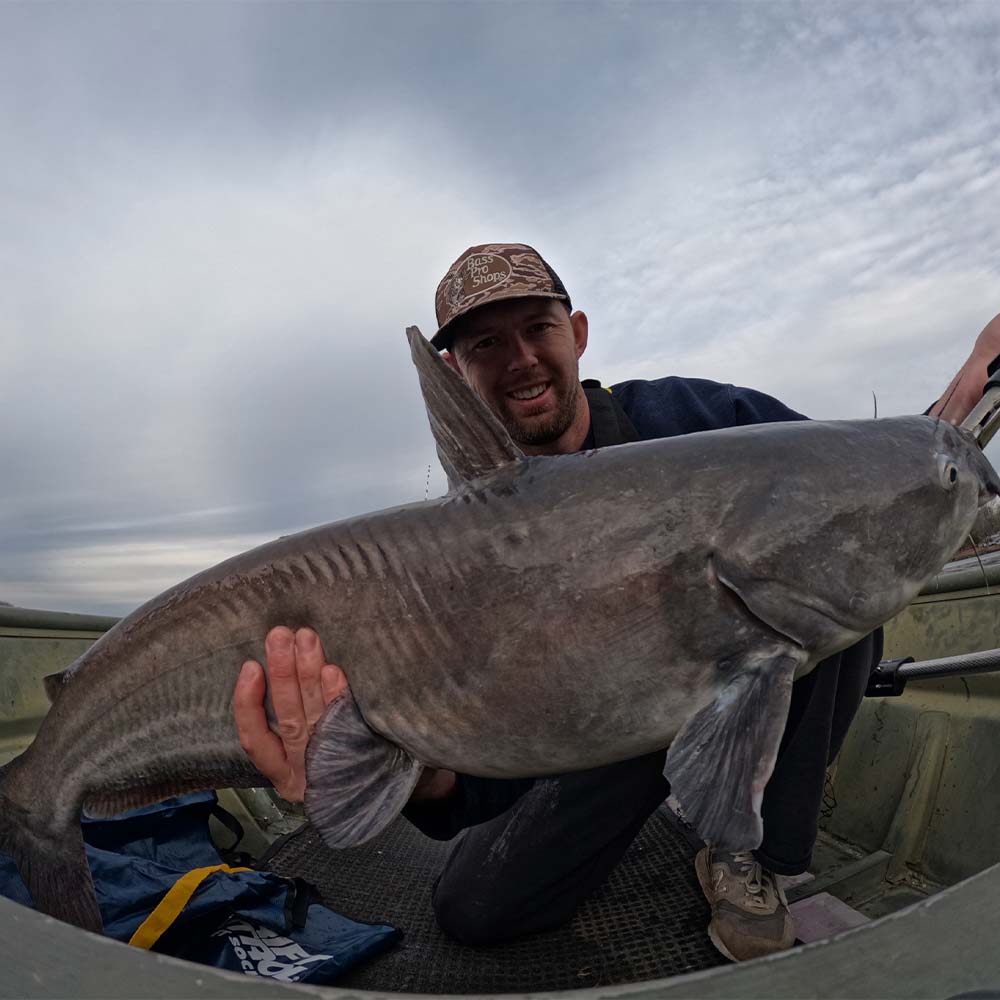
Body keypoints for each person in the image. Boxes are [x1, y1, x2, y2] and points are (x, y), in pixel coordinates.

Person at [233, 243, 1000, 962]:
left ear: (578, 333)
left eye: (537, 329)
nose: (522, 360)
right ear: (453, 372)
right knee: (475, 914)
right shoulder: (444, 561)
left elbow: (858, 486)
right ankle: (679, 790)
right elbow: (477, 774)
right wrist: (420, 768)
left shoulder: (707, 422)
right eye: (485, 346)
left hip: (738, 680)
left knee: (838, 603)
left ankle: (753, 853)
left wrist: (964, 395)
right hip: (597, 736)